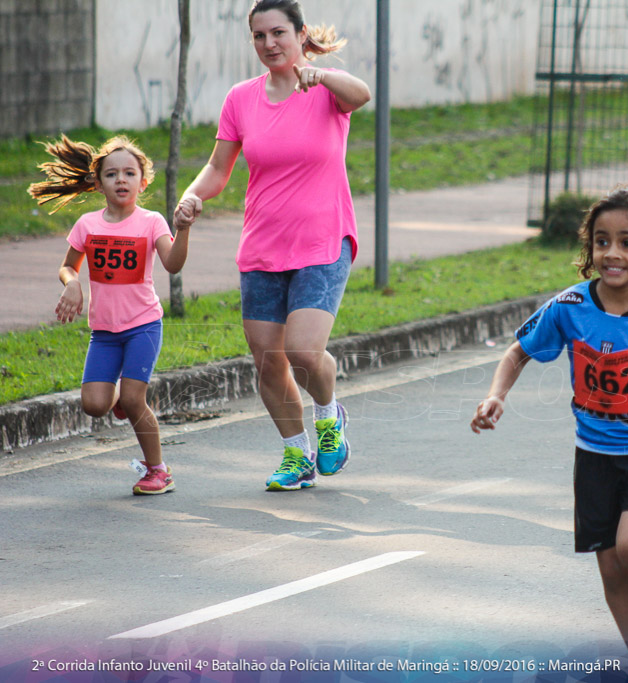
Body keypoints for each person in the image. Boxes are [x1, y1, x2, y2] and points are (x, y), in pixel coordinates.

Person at [469, 186, 628, 673]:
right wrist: (497, 394)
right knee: (608, 567)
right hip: (594, 454)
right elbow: (518, 350)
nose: (612, 253)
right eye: (602, 241)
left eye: (627, 242)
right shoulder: (569, 306)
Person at [174, 0, 371, 490]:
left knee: (304, 351)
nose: (269, 45)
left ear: (301, 35)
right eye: (259, 37)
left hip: (323, 239)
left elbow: (362, 94)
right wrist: (192, 195)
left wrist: (320, 76)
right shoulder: (241, 99)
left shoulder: (327, 92)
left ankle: (329, 419)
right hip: (263, 245)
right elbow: (219, 169)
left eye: (279, 33)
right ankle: (296, 454)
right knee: (268, 361)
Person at [28, 135, 191, 495]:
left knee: (135, 400)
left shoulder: (151, 223)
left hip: (143, 326)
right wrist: (71, 283)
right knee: (95, 405)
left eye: (129, 173)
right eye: (112, 174)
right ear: (98, 182)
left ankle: (158, 470)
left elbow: (174, 264)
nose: (121, 180)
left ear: (142, 182)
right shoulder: (87, 225)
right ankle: (122, 399)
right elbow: (68, 267)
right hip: (103, 331)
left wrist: (184, 229)